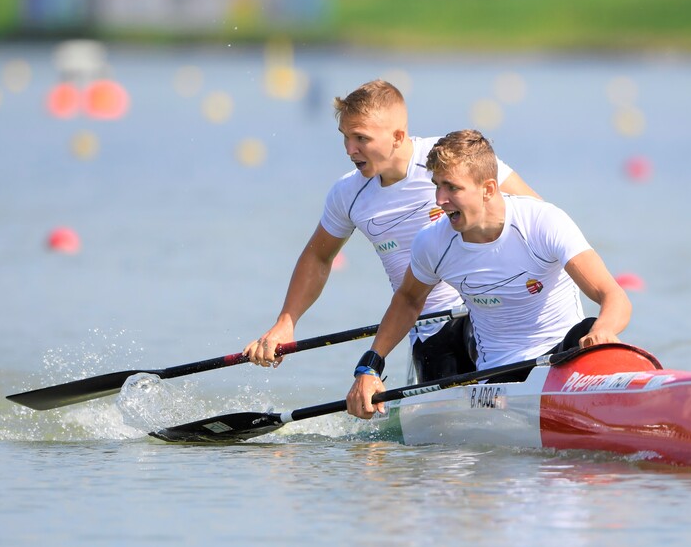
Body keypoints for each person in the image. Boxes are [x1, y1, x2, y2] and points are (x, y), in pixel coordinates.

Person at [244, 80, 539, 383]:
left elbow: (536, 214)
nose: (349, 149)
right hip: (432, 325)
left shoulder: (453, 161)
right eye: (345, 137)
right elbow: (319, 257)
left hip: (493, 306)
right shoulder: (348, 194)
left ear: (398, 136)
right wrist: (286, 322)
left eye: (361, 138)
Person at [345, 129, 631, 419]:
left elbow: (612, 295)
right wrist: (370, 367)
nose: (439, 200)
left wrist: (603, 331)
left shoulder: (543, 222)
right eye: (436, 186)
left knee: (589, 328)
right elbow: (407, 300)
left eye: (451, 188)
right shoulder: (433, 242)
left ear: (489, 189)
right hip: (500, 382)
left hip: (563, 360)